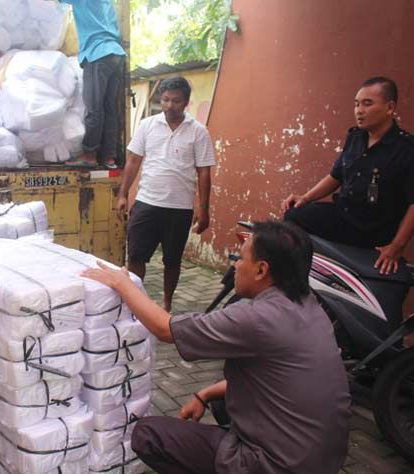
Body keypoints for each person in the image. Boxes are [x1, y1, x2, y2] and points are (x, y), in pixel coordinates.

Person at [81, 220, 351, 474]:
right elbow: (284, 383)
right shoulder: (311, 307)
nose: (234, 265)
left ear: (261, 270)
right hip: (321, 459)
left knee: (147, 434)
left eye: (240, 258)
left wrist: (122, 284)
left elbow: (165, 329)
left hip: (278, 464)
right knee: (223, 402)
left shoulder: (257, 318)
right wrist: (205, 393)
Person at [283, 76, 414, 275]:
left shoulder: (406, 149)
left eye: (367, 104)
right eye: (357, 104)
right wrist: (305, 197)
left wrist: (397, 246)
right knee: (293, 215)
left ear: (390, 108)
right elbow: (336, 176)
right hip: (344, 215)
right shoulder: (355, 137)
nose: (359, 111)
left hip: (373, 228)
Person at [118, 76, 215, 312]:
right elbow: (133, 161)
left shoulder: (198, 132)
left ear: (186, 103)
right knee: (136, 257)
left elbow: (203, 173)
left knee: (172, 261)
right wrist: (123, 194)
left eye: (176, 101)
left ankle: (167, 305)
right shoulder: (147, 125)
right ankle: (136, 303)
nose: (169, 106)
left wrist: (203, 210)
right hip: (146, 203)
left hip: (179, 208)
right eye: (165, 100)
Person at [58, 0, 126, 169]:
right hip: (116, 54)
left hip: (98, 53)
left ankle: (89, 154)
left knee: (94, 108)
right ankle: (109, 156)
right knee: (109, 109)